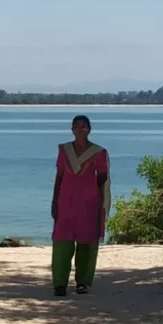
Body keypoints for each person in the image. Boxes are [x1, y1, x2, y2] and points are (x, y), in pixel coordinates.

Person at [50, 113, 109, 296]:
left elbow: (102, 177)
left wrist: (95, 196)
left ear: (89, 129)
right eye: (77, 126)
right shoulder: (64, 150)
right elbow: (59, 176)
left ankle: (82, 282)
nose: (80, 129)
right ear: (72, 129)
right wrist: (54, 200)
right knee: (62, 242)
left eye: (84, 126)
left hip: (89, 204)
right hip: (66, 202)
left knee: (86, 243)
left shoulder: (99, 153)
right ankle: (59, 283)